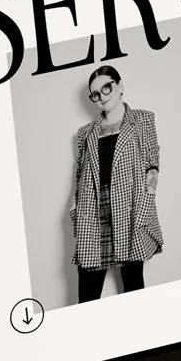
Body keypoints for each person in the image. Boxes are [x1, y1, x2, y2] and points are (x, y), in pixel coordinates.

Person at [70, 65, 161, 301]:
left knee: (132, 287)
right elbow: (79, 172)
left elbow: (152, 163)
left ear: (120, 86)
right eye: (95, 94)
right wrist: (75, 207)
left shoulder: (142, 119)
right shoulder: (85, 133)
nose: (102, 96)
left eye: (106, 87)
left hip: (130, 206)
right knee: (88, 294)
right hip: (93, 210)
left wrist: (145, 203)